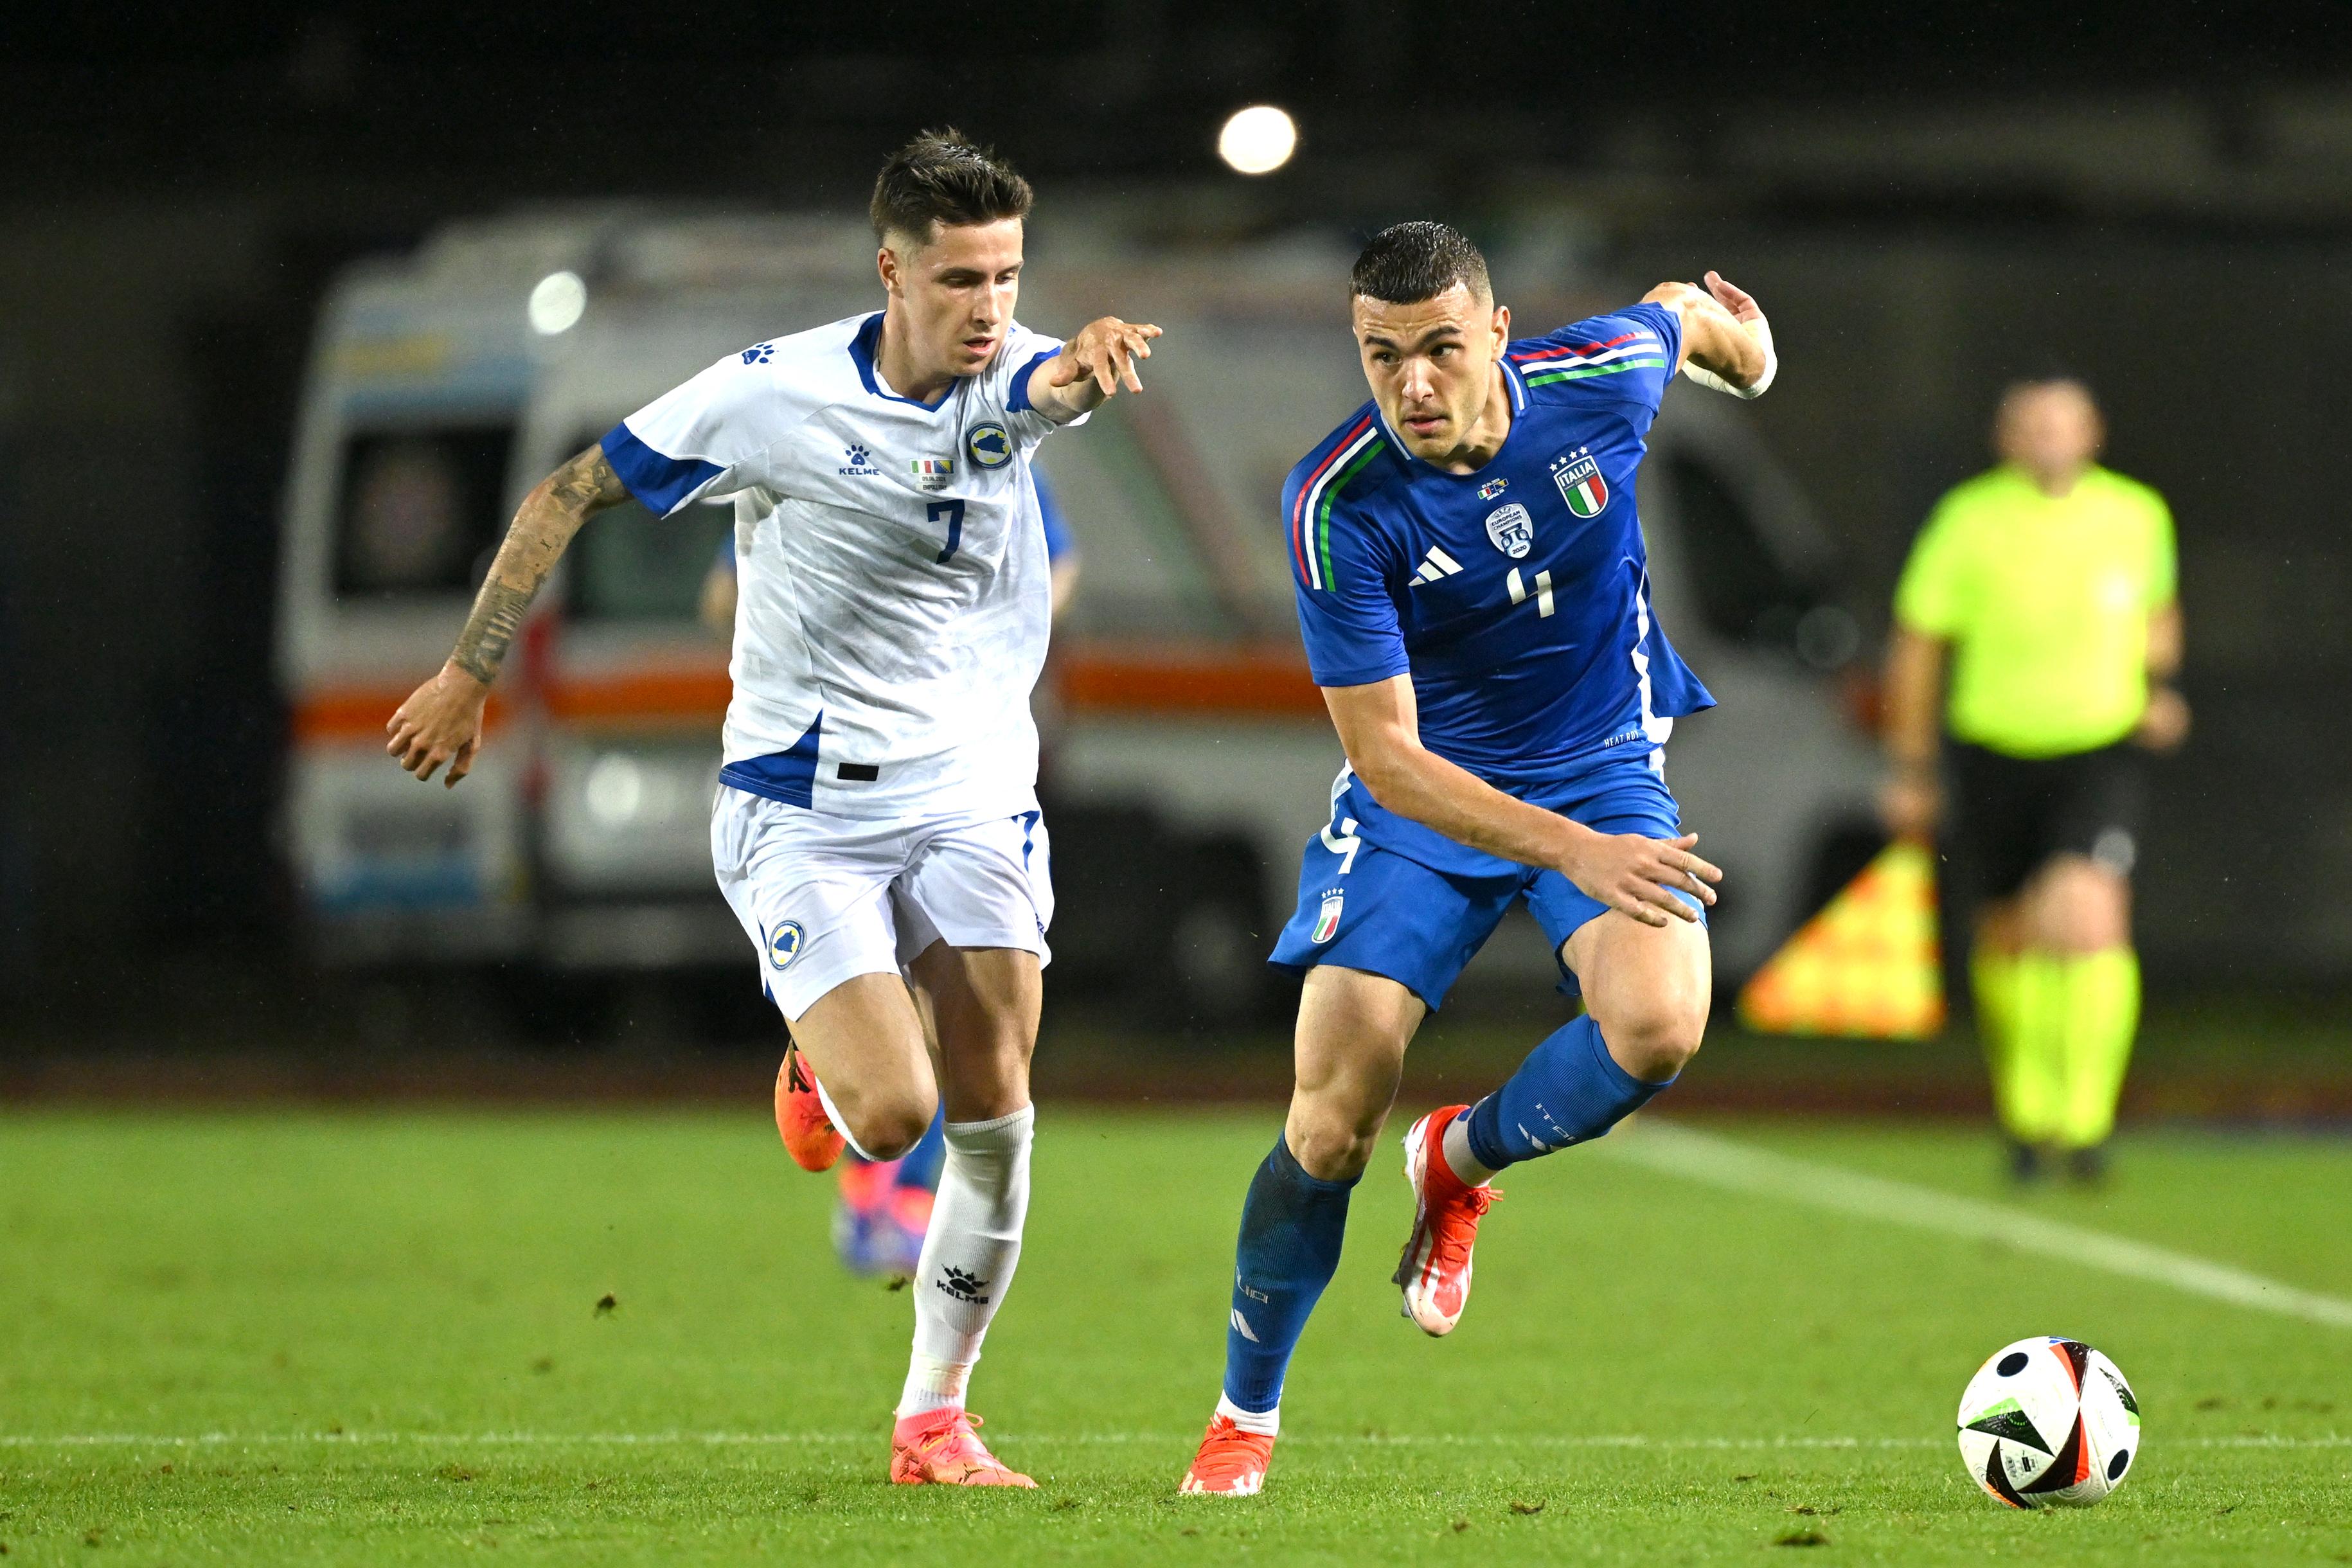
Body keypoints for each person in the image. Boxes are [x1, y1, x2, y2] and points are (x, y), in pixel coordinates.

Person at [384, 128, 1163, 1488]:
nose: (992, 306)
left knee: (998, 1107)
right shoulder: (771, 396)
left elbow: (1051, 387)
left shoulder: (1019, 374)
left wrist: (1079, 366)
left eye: (1009, 275)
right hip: (803, 805)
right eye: (963, 279)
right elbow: (571, 490)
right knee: (892, 1109)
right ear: (891, 270)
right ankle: (825, 1067)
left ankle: (935, 1416)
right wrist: (467, 672)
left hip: (978, 795)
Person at [1178, 222, 1774, 1496]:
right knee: (1332, 1120)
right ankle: (1245, 1415)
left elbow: (1681, 314)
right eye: (1382, 356)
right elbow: (1387, 760)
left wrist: (1754, 355)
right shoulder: (1335, 502)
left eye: (1442, 347)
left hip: (1598, 763)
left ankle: (1460, 1162)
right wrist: (1578, 851)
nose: (1414, 384)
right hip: (1427, 798)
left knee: (1662, 1025)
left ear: (1499, 334)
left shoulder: (1601, 375)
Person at [698, 477, 1082, 1278]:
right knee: (893, 1014)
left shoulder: (991, 445)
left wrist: (988, 638)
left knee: (971, 1010)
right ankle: (869, 1147)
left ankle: (900, 1185)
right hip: (829, 795)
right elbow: (723, 594)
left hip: (954, 776)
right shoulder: (818, 443)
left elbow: (1059, 567)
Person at [1880, 378, 2184, 1184]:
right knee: (2010, 929)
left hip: (2098, 746)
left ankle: (2084, 1122)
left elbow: (2158, 617)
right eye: (2031, 424)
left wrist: (2158, 687)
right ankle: (2024, 1113)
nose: (2048, 437)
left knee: (2088, 914)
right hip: (1994, 748)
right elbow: (1919, 644)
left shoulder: (2137, 515)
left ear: (2093, 432)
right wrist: (1910, 765)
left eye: (2063, 423)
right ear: (2006, 436)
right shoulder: (1969, 520)